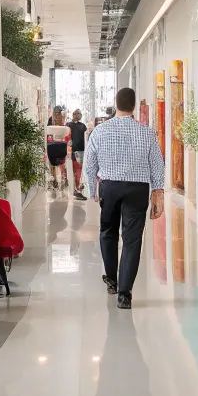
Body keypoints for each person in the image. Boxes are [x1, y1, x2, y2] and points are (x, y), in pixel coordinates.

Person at [84, 87, 165, 310]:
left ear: (116, 104)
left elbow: (90, 163)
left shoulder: (100, 131)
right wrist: (158, 191)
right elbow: (157, 163)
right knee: (132, 239)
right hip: (137, 189)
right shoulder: (146, 132)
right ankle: (125, 294)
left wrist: (92, 189)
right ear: (134, 106)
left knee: (108, 232)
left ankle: (111, 279)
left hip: (109, 186)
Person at [46, 107, 71, 190]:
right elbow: (47, 132)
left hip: (61, 145)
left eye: (58, 112)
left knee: (62, 164)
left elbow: (66, 133)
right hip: (52, 145)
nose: (57, 114)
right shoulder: (51, 120)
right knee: (53, 164)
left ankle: (64, 179)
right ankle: (55, 181)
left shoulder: (63, 120)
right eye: (55, 112)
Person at [66, 109, 89, 200]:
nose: (79, 115)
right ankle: (77, 189)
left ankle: (78, 188)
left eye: (80, 114)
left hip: (81, 151)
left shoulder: (83, 126)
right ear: (73, 114)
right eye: (77, 113)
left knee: (79, 171)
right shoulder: (69, 125)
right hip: (73, 151)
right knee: (76, 171)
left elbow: (86, 137)